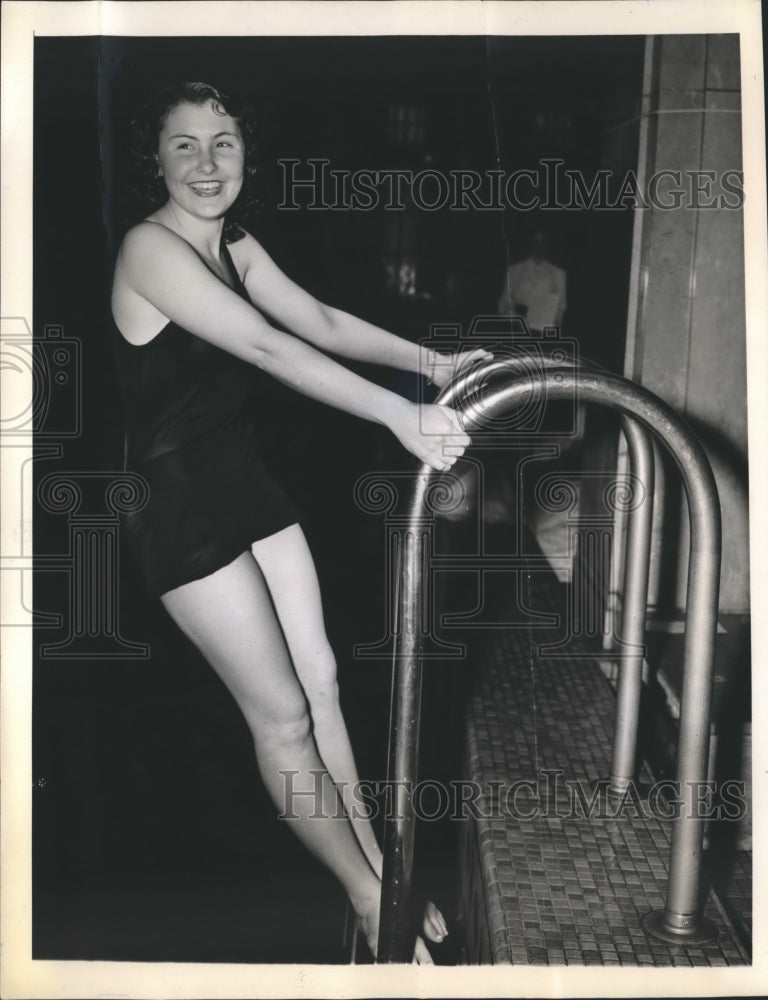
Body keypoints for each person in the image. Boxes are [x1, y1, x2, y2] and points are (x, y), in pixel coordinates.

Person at [110, 82, 489, 963]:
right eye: (184, 145)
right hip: (176, 501)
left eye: (224, 142)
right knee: (280, 715)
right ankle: (366, 895)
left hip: (240, 479)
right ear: (154, 161)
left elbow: (316, 321)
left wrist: (432, 365)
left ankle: (383, 869)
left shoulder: (236, 245)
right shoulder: (149, 248)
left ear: (248, 152)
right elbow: (267, 346)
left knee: (321, 680)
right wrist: (397, 415)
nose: (207, 163)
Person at [497, 228, 566, 332]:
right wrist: (516, 320)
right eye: (536, 241)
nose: (539, 246)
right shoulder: (514, 270)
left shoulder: (558, 273)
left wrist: (550, 322)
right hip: (516, 329)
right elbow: (504, 303)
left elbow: (561, 307)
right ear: (530, 243)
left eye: (542, 242)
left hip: (544, 330)